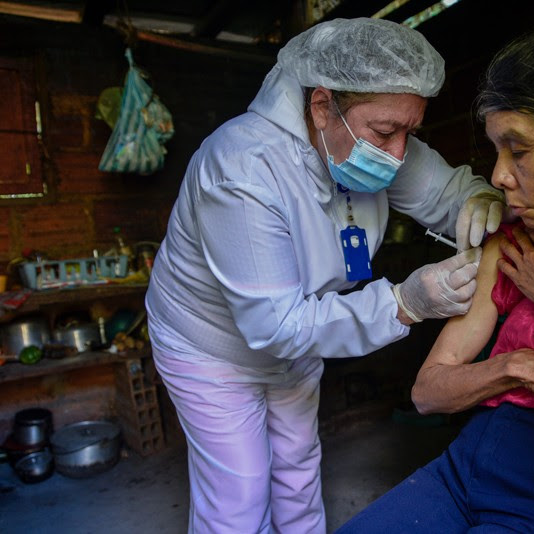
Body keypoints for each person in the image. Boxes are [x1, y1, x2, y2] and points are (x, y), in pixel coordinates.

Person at [145, 17, 505, 533]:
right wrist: (405, 303)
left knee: (297, 470)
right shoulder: (242, 169)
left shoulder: (368, 139)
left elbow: (444, 193)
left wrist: (479, 199)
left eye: (411, 131)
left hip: (301, 333)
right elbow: (274, 326)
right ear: (321, 105)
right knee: (240, 494)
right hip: (211, 346)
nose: (400, 151)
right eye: (385, 131)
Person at [336, 22, 534, 533]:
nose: (498, 176)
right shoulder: (517, 243)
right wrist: (518, 368)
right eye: (496, 150)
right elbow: (427, 391)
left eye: (520, 150)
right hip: (462, 471)